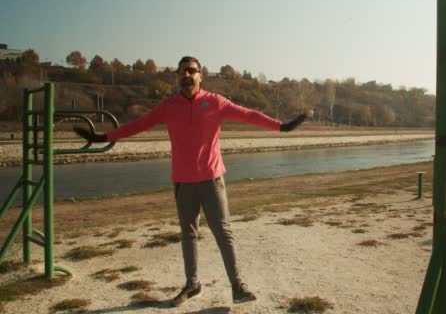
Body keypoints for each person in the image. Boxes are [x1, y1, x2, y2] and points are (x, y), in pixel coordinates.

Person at [74, 56, 310, 307]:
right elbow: (139, 125)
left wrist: (282, 127)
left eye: (191, 71)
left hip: (211, 180)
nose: (186, 75)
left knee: (223, 233)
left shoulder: (215, 102)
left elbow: (248, 114)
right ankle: (192, 284)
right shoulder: (168, 106)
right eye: (182, 72)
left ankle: (238, 286)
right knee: (188, 235)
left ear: (200, 75)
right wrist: (103, 137)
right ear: (178, 76)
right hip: (183, 182)